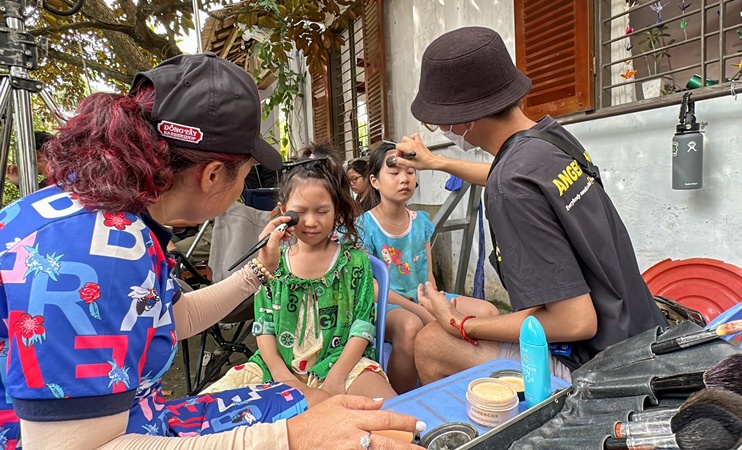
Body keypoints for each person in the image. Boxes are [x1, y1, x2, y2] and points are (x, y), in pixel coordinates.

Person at [0, 52, 424, 450]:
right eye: (245, 174)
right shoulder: (98, 256)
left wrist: (257, 272)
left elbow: (171, 317)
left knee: (318, 409)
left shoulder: (104, 218)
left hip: (127, 420)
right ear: (213, 175)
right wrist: (290, 438)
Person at [392, 27, 669, 384]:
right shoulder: (548, 140)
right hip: (641, 328)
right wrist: (437, 162)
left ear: (465, 119)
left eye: (437, 121)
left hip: (603, 365)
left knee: (432, 343)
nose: (439, 129)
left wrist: (459, 323)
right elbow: (506, 175)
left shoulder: (510, 188)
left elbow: (575, 321)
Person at [211, 143, 397, 400]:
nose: (311, 222)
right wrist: (285, 378)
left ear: (337, 209)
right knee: (212, 409)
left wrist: (336, 376)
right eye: (299, 212)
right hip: (276, 368)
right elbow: (264, 327)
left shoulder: (354, 263)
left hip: (343, 363)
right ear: (282, 210)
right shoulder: (271, 263)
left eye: (322, 211)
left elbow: (362, 326)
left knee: (389, 411)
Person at [358, 142, 498, 393]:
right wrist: (423, 310)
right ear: (375, 181)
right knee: (411, 326)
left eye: (410, 172)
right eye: (394, 173)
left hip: (421, 297)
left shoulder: (420, 222)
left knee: (487, 311)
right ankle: (402, 400)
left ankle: (472, 388)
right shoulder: (364, 227)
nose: (404, 179)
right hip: (386, 306)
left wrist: (434, 301)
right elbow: (373, 287)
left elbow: (429, 275)